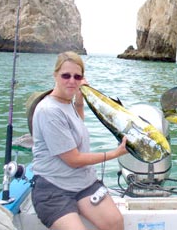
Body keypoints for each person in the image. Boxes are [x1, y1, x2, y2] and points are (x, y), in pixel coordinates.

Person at [30, 51, 128, 230]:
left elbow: (77, 122)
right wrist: (116, 153)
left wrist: (80, 98)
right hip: (53, 189)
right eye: (66, 76)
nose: (72, 81)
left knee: (115, 223)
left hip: (83, 184)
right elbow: (74, 160)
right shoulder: (49, 110)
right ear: (55, 75)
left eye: (77, 76)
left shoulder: (67, 103)